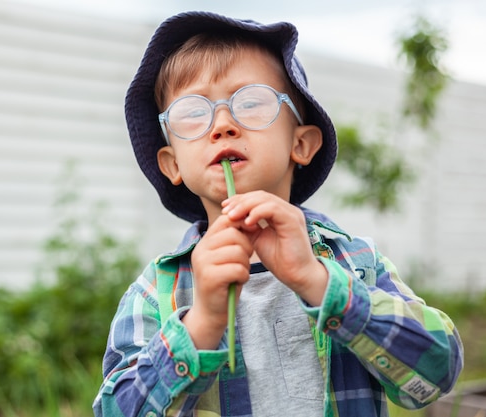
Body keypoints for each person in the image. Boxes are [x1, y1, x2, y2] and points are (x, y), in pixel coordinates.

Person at [93, 11, 463, 417]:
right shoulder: (156, 291)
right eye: (193, 112)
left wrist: (319, 283)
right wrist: (200, 325)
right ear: (172, 164)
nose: (221, 124)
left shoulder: (354, 263)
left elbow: (437, 374)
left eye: (250, 102)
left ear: (301, 143)